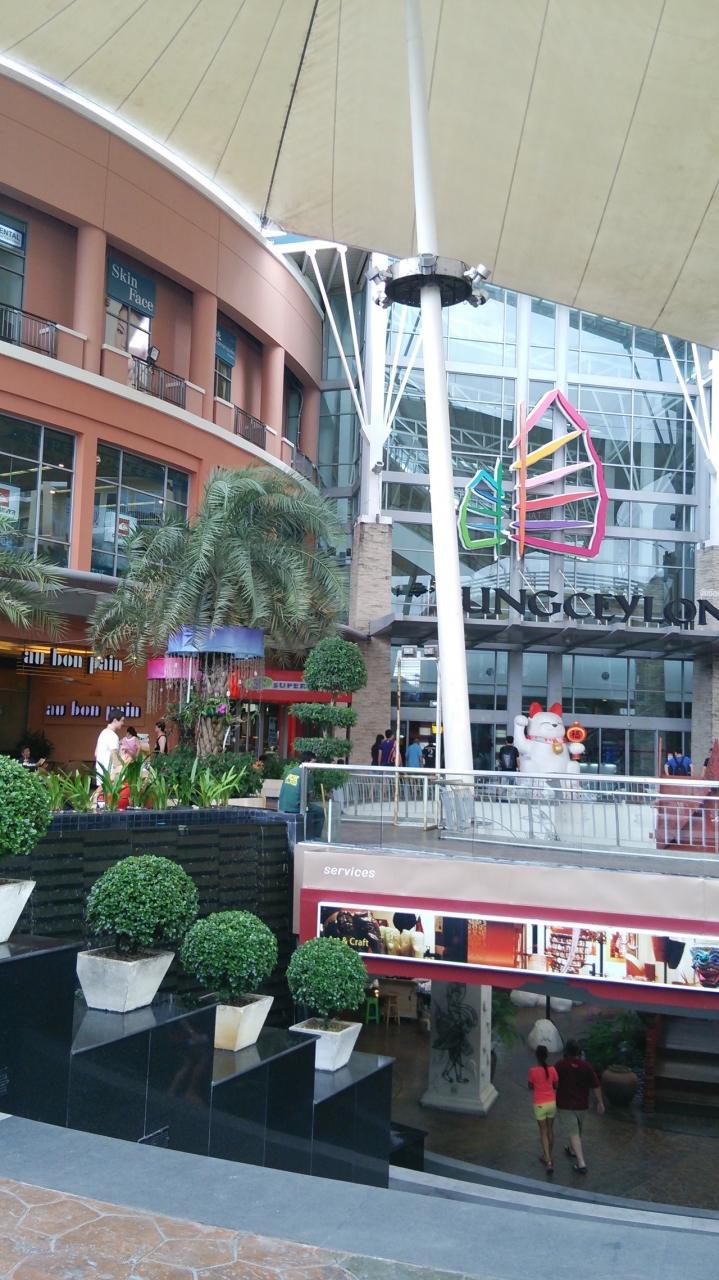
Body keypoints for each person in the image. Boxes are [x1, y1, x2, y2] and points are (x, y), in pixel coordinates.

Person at [555, 1038, 604, 1173]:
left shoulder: (560, 1065)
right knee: (577, 1129)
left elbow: (553, 1081)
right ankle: (572, 1150)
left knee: (573, 1131)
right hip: (582, 1105)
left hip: (565, 1104)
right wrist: (600, 1102)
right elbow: (596, 1085)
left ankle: (581, 1163)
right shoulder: (586, 1066)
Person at [528, 1044, 558, 1175]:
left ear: (536, 1056)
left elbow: (530, 1086)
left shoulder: (532, 1071)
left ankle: (548, 1161)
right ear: (547, 1055)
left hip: (539, 1104)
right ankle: (548, 1155)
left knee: (543, 1131)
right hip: (552, 1102)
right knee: (550, 1129)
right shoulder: (552, 1069)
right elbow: (556, 1085)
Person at [95, 708, 125, 787]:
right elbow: (115, 760)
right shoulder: (113, 736)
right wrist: (124, 762)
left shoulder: (103, 733)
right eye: (121, 720)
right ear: (115, 720)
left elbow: (96, 753)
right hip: (110, 777)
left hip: (101, 775)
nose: (123, 723)